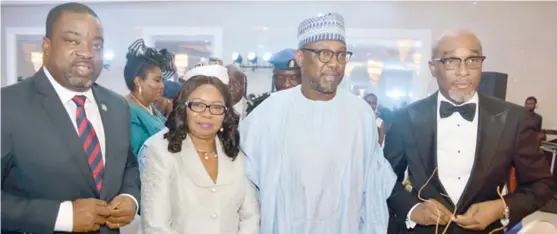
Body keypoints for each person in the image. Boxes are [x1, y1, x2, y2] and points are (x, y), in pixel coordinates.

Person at [384, 29, 555, 234]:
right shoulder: (405, 118)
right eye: (451, 61)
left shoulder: (513, 119)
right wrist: (413, 208)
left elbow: (542, 184)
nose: (463, 71)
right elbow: (384, 178)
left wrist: (501, 208)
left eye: (472, 60)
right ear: (433, 67)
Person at [239, 13, 396, 234]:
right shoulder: (269, 113)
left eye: (341, 55)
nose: (335, 63)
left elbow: (374, 190)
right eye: (325, 54)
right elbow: (243, 184)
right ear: (301, 57)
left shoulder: (360, 114)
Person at [1, 2, 139, 233]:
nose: (87, 52)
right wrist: (61, 216)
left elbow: (128, 165)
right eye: (72, 41)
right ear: (46, 46)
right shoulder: (7, 105)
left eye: (96, 44)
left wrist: (130, 197)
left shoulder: (117, 106)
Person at [139, 75, 259, 233]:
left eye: (216, 107)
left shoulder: (235, 154)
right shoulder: (161, 152)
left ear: (225, 114)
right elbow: (155, 225)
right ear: (183, 109)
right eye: (198, 105)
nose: (207, 114)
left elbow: (250, 216)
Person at [124, 38, 177, 157]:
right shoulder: (129, 113)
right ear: (138, 81)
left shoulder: (149, 106)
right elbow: (135, 157)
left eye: (162, 80)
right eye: (157, 80)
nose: (162, 85)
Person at [245, 48, 302, 115]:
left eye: (293, 78)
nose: (286, 84)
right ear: (274, 78)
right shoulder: (258, 107)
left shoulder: (313, 106)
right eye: (280, 78)